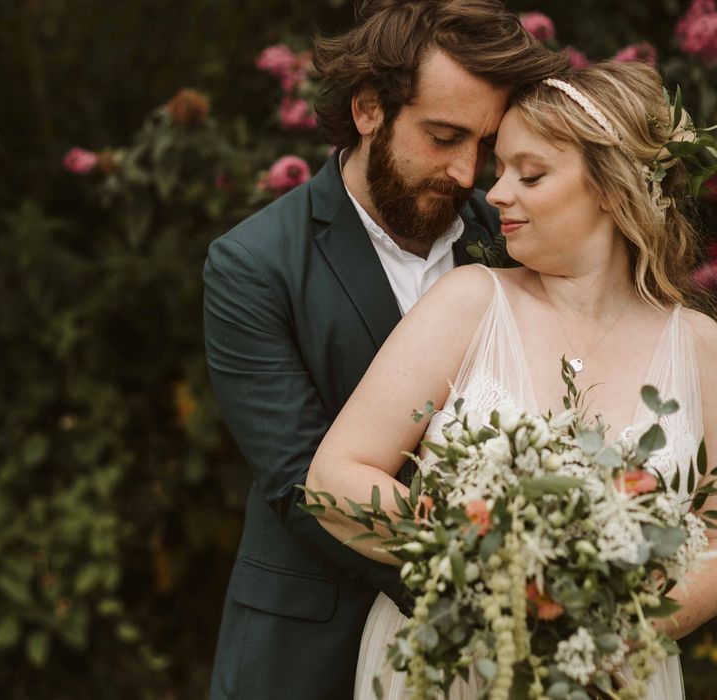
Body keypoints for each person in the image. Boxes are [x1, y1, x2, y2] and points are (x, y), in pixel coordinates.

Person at [306, 60, 717, 700]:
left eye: (530, 174)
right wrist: (488, 563)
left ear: (613, 189)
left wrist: (612, 625)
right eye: (500, 172)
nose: (493, 193)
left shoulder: (700, 349)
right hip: (447, 667)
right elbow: (335, 479)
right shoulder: (468, 302)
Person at [203, 1, 567, 697]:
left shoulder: (511, 234)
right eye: (443, 137)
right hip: (308, 644)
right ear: (369, 109)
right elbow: (296, 483)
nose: (468, 174)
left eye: (485, 145)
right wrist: (491, 594)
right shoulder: (252, 265)